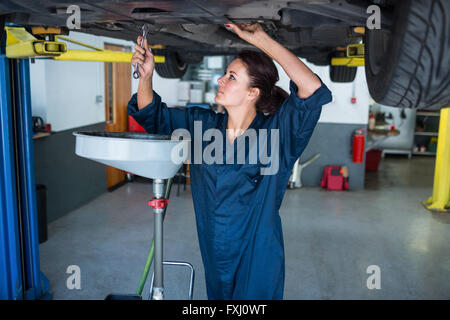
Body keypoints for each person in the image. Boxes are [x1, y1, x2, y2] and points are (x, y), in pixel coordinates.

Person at [128, 23, 332, 299]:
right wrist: (146, 76)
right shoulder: (202, 126)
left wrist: (262, 40)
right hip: (214, 253)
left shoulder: (277, 135)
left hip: (257, 260)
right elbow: (151, 114)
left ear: (252, 93)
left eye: (232, 77)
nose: (220, 81)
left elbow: (311, 89)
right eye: (225, 75)